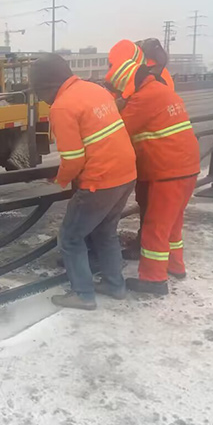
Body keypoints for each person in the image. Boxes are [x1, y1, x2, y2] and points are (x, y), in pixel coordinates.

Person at [29, 54, 137, 310]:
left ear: (48, 86)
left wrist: (59, 178)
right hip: (126, 175)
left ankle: (83, 294)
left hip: (99, 181)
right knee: (105, 232)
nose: (42, 99)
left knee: (70, 238)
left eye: (39, 92)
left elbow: (74, 159)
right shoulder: (94, 90)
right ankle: (114, 284)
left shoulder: (62, 107)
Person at [105, 39, 200, 296]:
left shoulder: (144, 98)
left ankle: (153, 279)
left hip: (167, 171)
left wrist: (112, 106)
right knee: (172, 222)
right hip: (185, 167)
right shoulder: (160, 89)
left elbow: (118, 130)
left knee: (155, 225)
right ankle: (175, 265)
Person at [120, 38, 175, 260]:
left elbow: (132, 110)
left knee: (149, 204)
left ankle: (146, 248)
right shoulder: (162, 74)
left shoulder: (149, 76)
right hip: (159, 149)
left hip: (153, 152)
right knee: (151, 204)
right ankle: (148, 242)